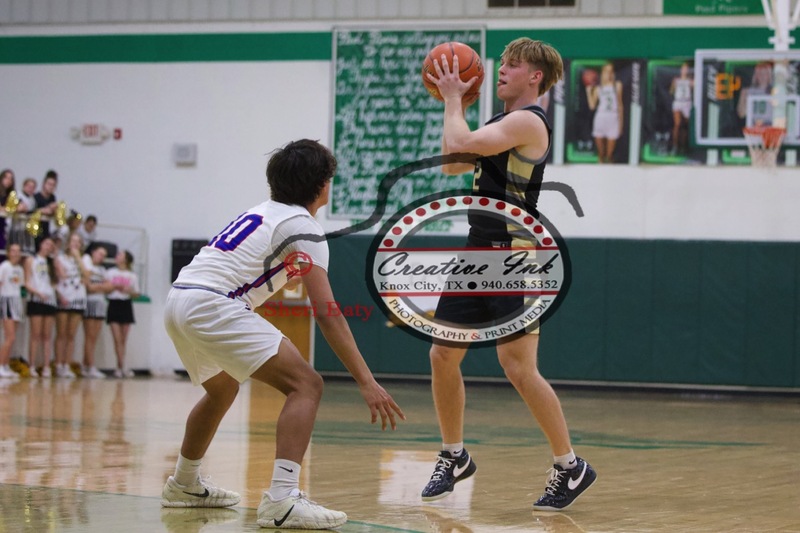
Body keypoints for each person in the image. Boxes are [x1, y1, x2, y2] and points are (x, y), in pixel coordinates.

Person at [161, 139, 405, 529]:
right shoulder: (303, 227)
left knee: (221, 389)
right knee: (306, 385)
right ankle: (283, 499)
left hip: (179, 299)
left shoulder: (263, 212)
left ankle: (184, 484)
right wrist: (367, 380)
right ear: (322, 185)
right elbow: (327, 312)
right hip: (213, 303)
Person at [423, 37, 596, 511]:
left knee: (518, 368)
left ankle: (570, 466)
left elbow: (460, 143)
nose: (501, 71)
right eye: (500, 64)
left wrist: (455, 99)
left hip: (516, 255)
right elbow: (454, 161)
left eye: (512, 66)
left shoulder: (529, 120)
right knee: (442, 354)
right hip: (479, 248)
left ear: (535, 77)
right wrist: (451, 105)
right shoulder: (500, 120)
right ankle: (454, 455)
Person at [54, 232, 88, 378]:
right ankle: (58, 364)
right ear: (68, 243)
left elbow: (87, 276)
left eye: (78, 242)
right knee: (61, 333)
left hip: (78, 298)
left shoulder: (84, 259)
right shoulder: (60, 258)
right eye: (72, 241)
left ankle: (67, 365)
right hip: (64, 297)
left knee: (71, 335)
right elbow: (61, 275)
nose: (75, 244)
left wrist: (78, 257)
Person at [24, 236, 58, 378]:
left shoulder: (51, 262)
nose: (48, 246)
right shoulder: (31, 260)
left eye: (51, 245)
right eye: (46, 243)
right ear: (40, 244)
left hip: (50, 301)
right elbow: (26, 282)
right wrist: (38, 293)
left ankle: (46, 366)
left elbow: (57, 280)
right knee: (35, 334)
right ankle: (31, 365)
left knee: (47, 335)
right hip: (36, 299)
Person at [81, 244, 114, 379]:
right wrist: (101, 287)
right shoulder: (88, 268)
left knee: (94, 337)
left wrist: (98, 287)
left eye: (104, 255)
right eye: (100, 254)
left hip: (100, 304)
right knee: (89, 336)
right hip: (90, 303)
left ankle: (86, 365)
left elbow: (110, 286)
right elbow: (89, 287)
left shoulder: (102, 269)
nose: (102, 257)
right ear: (93, 253)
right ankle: (90, 366)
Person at [106, 250, 140, 378]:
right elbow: (105, 287)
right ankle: (120, 366)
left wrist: (129, 290)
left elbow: (136, 293)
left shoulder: (132, 276)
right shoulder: (110, 273)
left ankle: (121, 366)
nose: (117, 256)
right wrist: (114, 287)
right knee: (117, 338)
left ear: (126, 259)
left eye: (120, 255)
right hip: (114, 304)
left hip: (126, 304)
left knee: (123, 340)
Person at [587, 62, 624, 163]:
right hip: (601, 117)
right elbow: (592, 106)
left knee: (609, 153)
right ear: (602, 73)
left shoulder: (617, 85)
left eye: (611, 71)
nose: (609, 74)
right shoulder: (598, 88)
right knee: (600, 154)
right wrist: (588, 91)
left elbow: (620, 105)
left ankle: (609, 169)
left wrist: (621, 124)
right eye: (607, 71)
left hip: (613, 117)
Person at [0, 243, 24, 379]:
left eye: (18, 251)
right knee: (10, 337)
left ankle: (5, 364)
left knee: (12, 337)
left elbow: (20, 286)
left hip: (17, 302)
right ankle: (0, 365)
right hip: (7, 301)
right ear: (8, 253)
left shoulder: (19, 269)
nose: (15, 253)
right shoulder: (4, 266)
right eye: (13, 251)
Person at [670, 62, 694, 155]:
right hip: (678, 101)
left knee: (686, 126)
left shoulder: (690, 80)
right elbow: (671, 91)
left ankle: (684, 146)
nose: (685, 70)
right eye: (683, 68)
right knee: (677, 124)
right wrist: (674, 86)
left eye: (686, 69)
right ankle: (675, 146)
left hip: (687, 102)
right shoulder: (676, 80)